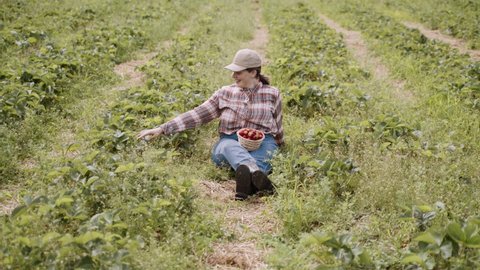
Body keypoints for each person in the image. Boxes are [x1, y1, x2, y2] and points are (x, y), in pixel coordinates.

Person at [137, 48, 284, 200]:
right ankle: (254, 177)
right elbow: (199, 114)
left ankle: (248, 183)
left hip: (262, 142)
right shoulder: (225, 93)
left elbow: (278, 125)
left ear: (253, 72)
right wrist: (163, 128)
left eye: (238, 72)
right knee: (229, 148)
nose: (233, 76)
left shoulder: (272, 93)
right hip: (230, 140)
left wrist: (278, 145)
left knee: (267, 154)